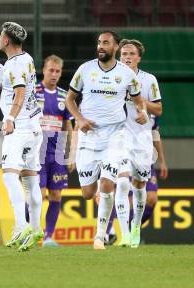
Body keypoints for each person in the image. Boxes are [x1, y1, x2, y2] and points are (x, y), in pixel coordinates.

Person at [65, 31, 148, 250]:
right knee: (88, 193)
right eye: (99, 43)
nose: (101, 46)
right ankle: (102, 231)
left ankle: (100, 235)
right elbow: (70, 100)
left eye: (105, 43)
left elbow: (139, 101)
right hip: (89, 136)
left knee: (108, 183)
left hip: (115, 135)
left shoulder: (127, 74)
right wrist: (80, 119)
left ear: (115, 46)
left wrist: (142, 113)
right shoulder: (85, 69)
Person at [0, 22, 44, 252]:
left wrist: (10, 119)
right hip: (35, 126)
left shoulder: (15, 64)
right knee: (30, 178)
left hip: (21, 126)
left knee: (9, 175)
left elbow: (19, 93)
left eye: (0, 35)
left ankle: (20, 225)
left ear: (6, 40)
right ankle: (35, 231)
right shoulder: (26, 58)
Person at [116, 39, 164, 247]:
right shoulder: (113, 77)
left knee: (139, 184)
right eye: (124, 53)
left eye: (131, 54)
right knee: (123, 180)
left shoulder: (149, 80)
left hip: (143, 138)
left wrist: (140, 103)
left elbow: (159, 110)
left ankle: (136, 225)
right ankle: (125, 234)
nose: (127, 57)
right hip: (119, 137)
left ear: (139, 58)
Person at [35, 55, 73, 247]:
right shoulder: (33, 92)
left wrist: (71, 154)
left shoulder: (64, 96)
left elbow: (68, 125)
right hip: (37, 152)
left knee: (56, 195)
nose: (54, 74)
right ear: (44, 69)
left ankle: (48, 236)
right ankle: (32, 231)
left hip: (57, 154)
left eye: (58, 71)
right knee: (39, 194)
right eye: (51, 70)